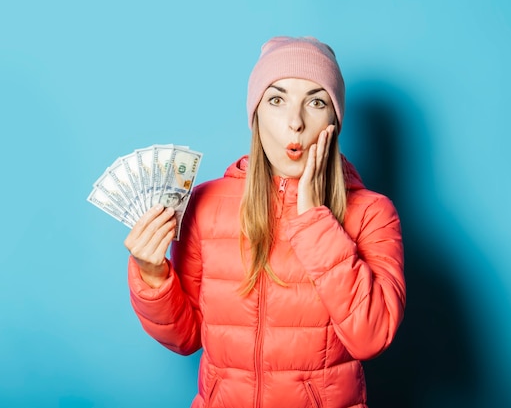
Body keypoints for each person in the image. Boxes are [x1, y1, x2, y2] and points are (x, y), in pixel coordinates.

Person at [124, 36, 406, 408]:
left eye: (316, 102)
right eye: (277, 99)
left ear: (334, 122)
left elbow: (371, 336)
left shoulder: (372, 213)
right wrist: (153, 277)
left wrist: (313, 219)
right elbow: (186, 337)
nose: (296, 123)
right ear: (256, 115)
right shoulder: (206, 206)